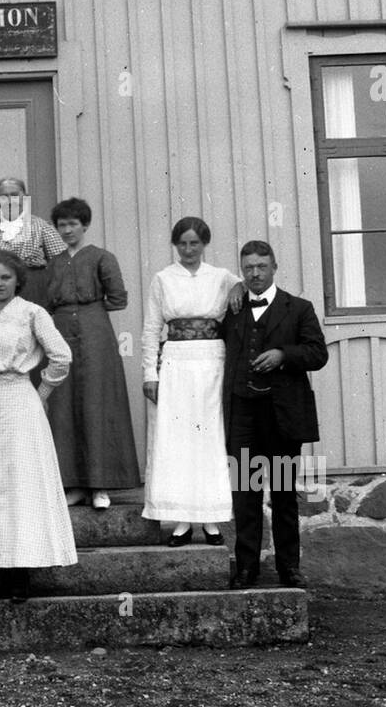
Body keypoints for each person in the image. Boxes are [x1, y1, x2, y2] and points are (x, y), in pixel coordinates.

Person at [0, 250, 76, 602]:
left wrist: (42, 390)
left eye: (5, 278)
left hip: (19, 400)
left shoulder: (33, 313)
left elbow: (62, 356)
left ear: (18, 280)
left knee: (18, 485)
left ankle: (21, 574)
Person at [222, 240, 328, 590]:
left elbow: (317, 353)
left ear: (274, 267)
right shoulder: (233, 307)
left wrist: (283, 354)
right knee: (247, 495)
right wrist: (234, 289)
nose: (255, 273)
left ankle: (289, 569)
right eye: (248, 268)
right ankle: (247, 568)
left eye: (261, 267)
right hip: (245, 417)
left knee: (283, 494)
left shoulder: (298, 308)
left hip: (282, 418)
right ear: (242, 270)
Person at [141, 217, 243, 547]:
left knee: (210, 438)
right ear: (175, 245)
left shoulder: (222, 278)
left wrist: (239, 285)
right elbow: (151, 330)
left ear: (204, 245)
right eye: (182, 243)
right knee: (179, 439)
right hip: (176, 363)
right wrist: (150, 374)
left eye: (194, 243)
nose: (188, 250)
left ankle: (212, 521)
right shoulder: (163, 279)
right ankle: (182, 521)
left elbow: (247, 288)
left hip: (213, 361)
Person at [45, 197, 140, 510]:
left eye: (73, 224)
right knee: (64, 402)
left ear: (85, 225)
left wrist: (88, 312)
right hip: (60, 331)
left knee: (97, 401)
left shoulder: (102, 257)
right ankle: (72, 484)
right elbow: (47, 301)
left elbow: (119, 298)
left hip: (95, 331)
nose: (68, 230)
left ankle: (100, 486)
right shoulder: (54, 262)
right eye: (62, 225)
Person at [0, 177, 67, 315]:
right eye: (3, 196)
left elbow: (63, 270)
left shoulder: (42, 228)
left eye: (14, 195)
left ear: (24, 198)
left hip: (35, 301)